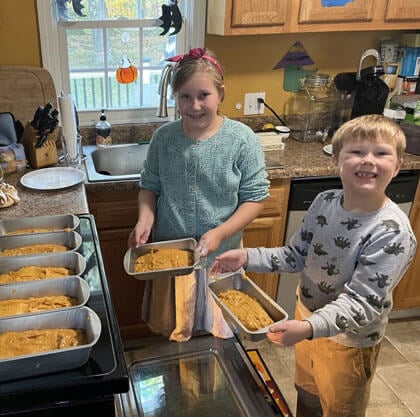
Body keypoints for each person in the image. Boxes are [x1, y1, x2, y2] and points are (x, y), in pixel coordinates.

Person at [211, 114, 417, 417]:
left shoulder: (391, 231)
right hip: (306, 318)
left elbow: (363, 302)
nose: (368, 161)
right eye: (357, 152)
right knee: (307, 395)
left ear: (398, 166)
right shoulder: (325, 202)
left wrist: (309, 328)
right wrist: (247, 256)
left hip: (349, 342)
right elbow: (295, 255)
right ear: (335, 161)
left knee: (339, 409)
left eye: (381, 153)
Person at [127, 47, 270, 342]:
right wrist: (145, 219)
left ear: (220, 93)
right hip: (171, 257)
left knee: (217, 336)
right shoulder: (163, 139)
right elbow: (149, 187)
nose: (194, 106)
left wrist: (220, 232)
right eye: (184, 97)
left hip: (221, 258)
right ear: (175, 97)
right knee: (175, 329)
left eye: (203, 95)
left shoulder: (242, 140)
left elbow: (255, 198)